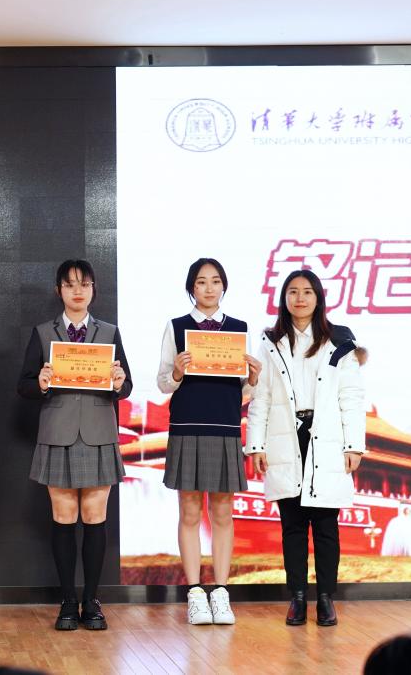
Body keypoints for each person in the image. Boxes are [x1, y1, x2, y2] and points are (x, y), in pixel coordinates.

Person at [245, 269, 365, 627]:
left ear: (318, 298)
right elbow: (261, 397)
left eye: (307, 292)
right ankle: (297, 598)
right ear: (284, 298)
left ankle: (326, 598)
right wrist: (256, 444)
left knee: (326, 526)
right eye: (293, 292)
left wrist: (353, 445)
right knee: (293, 526)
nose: (300, 298)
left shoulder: (339, 341)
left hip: (326, 440)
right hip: (287, 437)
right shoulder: (271, 342)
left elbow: (351, 397)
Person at [17, 259, 131, 631]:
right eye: (69, 285)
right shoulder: (42, 333)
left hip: (99, 432)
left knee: (95, 516)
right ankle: (68, 601)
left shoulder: (109, 332)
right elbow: (24, 385)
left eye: (84, 284)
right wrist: (41, 384)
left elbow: (126, 386)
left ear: (93, 289)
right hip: (58, 432)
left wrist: (119, 383)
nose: (77, 291)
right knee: (64, 517)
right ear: (59, 291)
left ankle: (91, 601)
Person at [156, 258, 261, 625]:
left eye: (216, 281)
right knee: (189, 511)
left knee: (222, 512)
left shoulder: (239, 329)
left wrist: (254, 378)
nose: (209, 288)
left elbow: (245, 391)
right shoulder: (176, 327)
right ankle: (195, 594)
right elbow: (163, 383)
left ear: (224, 286)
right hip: (186, 424)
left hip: (225, 426)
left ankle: (221, 592)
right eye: (201, 282)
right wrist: (177, 371)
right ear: (192, 288)